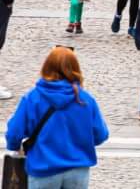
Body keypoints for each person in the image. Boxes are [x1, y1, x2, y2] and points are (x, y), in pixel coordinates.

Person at [4, 46, 109, 189]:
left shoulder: (32, 98)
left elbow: (14, 132)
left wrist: (15, 147)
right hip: (77, 170)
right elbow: (100, 135)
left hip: (43, 168)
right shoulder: (85, 100)